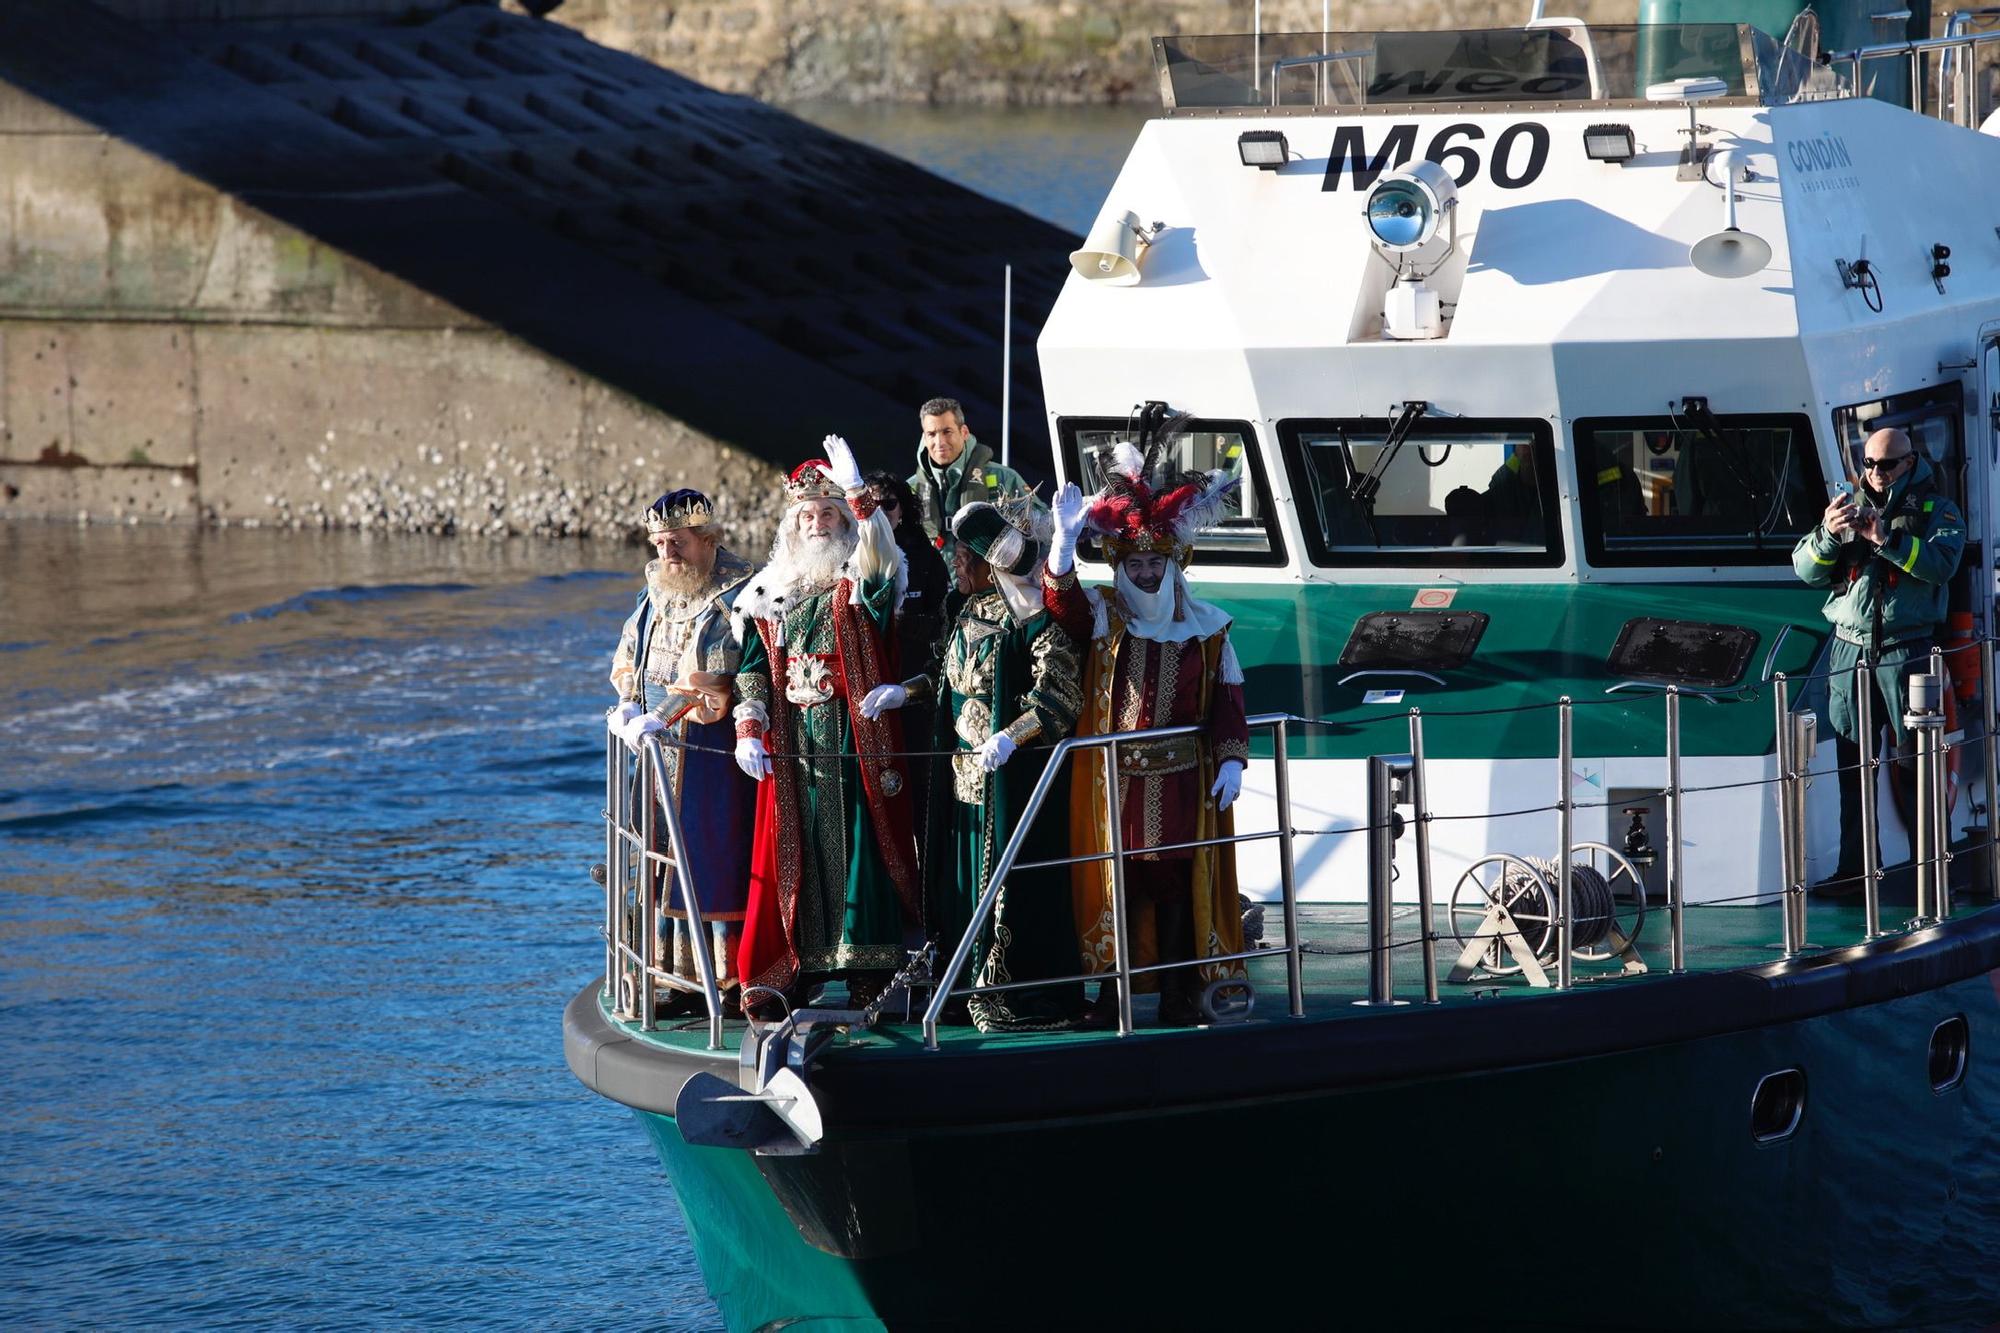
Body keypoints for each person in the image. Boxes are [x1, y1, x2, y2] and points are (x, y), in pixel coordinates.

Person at [860, 494, 1086, 1031]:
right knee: (958, 880)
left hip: (1012, 781)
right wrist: (905, 691)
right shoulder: (963, 611)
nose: (954, 565)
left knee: (1006, 885)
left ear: (990, 564)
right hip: (962, 780)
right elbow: (944, 676)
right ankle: (959, 983)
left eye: (963, 557)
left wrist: (1012, 737)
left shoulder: (1030, 619)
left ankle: (1004, 990)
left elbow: (1059, 698)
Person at [1043, 447, 1250, 1026]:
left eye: (1155, 565)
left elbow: (1228, 700)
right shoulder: (1105, 616)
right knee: (1121, 884)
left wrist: (1232, 761)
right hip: (1116, 782)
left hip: (1185, 780)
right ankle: (1115, 995)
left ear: (1173, 565)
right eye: (1134, 566)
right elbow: (1060, 605)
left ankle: (1182, 994)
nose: (1146, 574)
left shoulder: (1206, 627)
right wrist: (1062, 547)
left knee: (1179, 887)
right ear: (1118, 568)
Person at [731, 437, 922, 1009]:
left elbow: (883, 551)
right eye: (808, 515)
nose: (818, 523)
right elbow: (753, 669)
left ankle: (868, 966)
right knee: (798, 849)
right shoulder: (770, 591)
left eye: (828, 513)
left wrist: (860, 495)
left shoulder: (860, 575)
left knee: (863, 841)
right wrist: (748, 726)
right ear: (793, 525)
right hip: (792, 742)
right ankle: (799, 969)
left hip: (853, 732)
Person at [1792, 427, 1965, 889]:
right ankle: (1856, 870)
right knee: (1854, 765)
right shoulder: (1846, 506)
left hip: (1906, 650)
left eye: (1885, 465)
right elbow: (1805, 569)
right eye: (1868, 463)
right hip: (1850, 649)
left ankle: (1930, 869)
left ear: (1909, 463)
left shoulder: (1938, 510)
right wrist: (1829, 535)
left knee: (1917, 764)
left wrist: (1885, 538)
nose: (1874, 473)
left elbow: (1942, 564)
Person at [608, 489, 758, 1018]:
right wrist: (627, 703)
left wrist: (661, 715)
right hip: (654, 756)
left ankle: (727, 980)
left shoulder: (732, 595)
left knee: (708, 863)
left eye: (679, 543)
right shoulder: (656, 590)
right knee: (656, 862)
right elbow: (630, 652)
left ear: (708, 541)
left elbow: (714, 681)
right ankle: (670, 975)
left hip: (706, 757)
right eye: (661, 543)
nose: (668, 553)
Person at [866, 469, 952, 861]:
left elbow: (943, 618)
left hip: (911, 681)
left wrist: (906, 623)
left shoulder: (924, 555)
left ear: (903, 508)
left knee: (918, 778)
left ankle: (922, 879)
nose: (881, 512)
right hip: (865, 678)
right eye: (872, 505)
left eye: (889, 504)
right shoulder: (851, 550)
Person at [907, 396, 1029, 549]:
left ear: (964, 432)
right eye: (932, 434)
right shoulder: (908, 490)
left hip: (989, 571)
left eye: (947, 432)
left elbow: (1041, 534)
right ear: (924, 438)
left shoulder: (1004, 479)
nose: (940, 442)